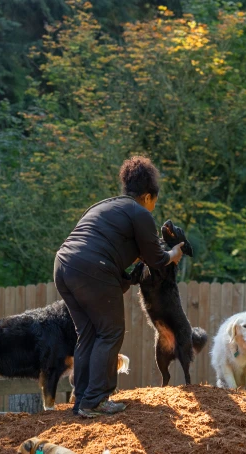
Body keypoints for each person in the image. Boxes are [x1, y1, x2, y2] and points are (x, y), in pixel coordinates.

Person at [54, 156, 184, 418]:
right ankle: (96, 400)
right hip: (92, 268)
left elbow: (111, 250)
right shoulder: (139, 213)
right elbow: (157, 260)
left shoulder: (104, 207)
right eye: (154, 202)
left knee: (88, 333)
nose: (153, 208)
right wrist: (173, 255)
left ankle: (81, 399)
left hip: (63, 265)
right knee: (110, 332)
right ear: (148, 196)